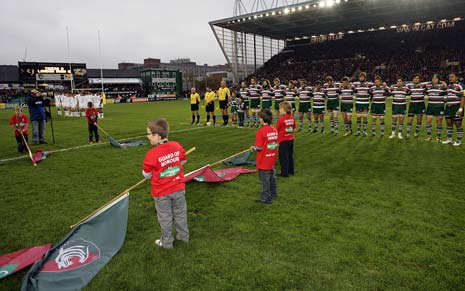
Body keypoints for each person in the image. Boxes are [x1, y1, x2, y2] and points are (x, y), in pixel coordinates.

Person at [142, 118, 189, 249]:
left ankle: (167, 243)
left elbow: (146, 175)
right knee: (180, 213)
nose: (147, 137)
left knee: (165, 217)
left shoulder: (151, 154)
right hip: (178, 188)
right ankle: (183, 237)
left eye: (149, 134)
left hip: (161, 193)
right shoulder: (177, 146)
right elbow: (183, 161)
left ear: (157, 135)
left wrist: (162, 168)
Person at [250, 109, 278, 204]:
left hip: (264, 160)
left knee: (265, 180)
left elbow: (259, 147)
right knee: (272, 177)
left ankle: (266, 197)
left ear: (262, 119)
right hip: (272, 158)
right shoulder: (274, 129)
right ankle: (273, 193)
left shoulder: (261, 131)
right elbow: (275, 144)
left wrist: (253, 148)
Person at [443, 72, 465, 146]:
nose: (450, 78)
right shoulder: (449, 86)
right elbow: (447, 96)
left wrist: (460, 109)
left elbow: (463, 97)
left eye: (452, 77)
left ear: (456, 77)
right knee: (449, 123)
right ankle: (449, 139)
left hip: (456, 107)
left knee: (458, 124)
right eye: (449, 77)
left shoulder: (461, 86)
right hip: (448, 107)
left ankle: (458, 141)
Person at [276, 102, 296, 177]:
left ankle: (284, 173)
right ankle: (291, 171)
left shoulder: (281, 120)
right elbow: (294, 128)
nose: (279, 110)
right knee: (290, 156)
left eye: (280, 109)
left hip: (283, 141)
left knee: (283, 157)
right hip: (291, 139)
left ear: (284, 110)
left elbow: (277, 130)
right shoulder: (292, 118)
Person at [425, 74, 446, 142]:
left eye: (436, 78)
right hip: (430, 106)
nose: (434, 80)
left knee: (439, 121)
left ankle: (438, 137)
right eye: (433, 78)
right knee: (428, 121)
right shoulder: (428, 86)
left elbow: (448, 92)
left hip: (439, 107)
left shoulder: (442, 86)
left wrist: (443, 82)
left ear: (438, 79)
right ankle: (429, 136)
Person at [406, 73, 427, 138]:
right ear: (412, 79)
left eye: (417, 78)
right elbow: (400, 85)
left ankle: (417, 133)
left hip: (420, 104)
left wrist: (442, 82)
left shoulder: (423, 85)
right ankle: (408, 134)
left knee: (419, 120)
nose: (416, 80)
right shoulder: (409, 85)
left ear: (420, 79)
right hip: (412, 104)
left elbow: (433, 82)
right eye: (414, 78)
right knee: (410, 120)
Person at [353, 72, 373, 136]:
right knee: (358, 117)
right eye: (360, 77)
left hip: (365, 103)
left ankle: (364, 131)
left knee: (365, 117)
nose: (361, 78)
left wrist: (370, 98)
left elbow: (371, 92)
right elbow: (352, 89)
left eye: (363, 77)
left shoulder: (369, 84)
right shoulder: (356, 84)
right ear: (359, 78)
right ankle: (358, 131)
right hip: (358, 103)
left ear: (365, 77)